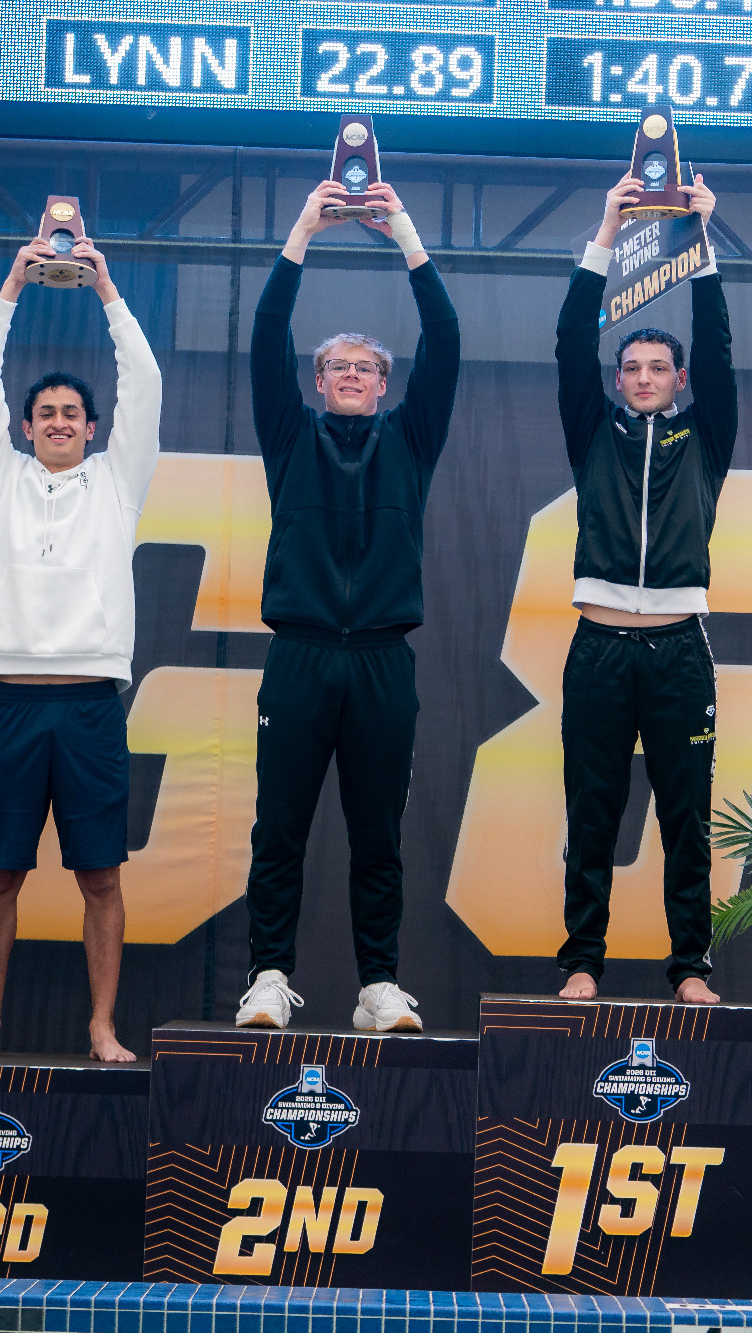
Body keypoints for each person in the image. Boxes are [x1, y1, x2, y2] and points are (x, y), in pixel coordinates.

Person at [234, 179, 460, 1034]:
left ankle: (377, 986)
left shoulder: (412, 436)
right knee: (278, 831)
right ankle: (266, 977)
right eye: (338, 367)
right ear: (318, 381)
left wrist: (401, 227)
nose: (354, 376)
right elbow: (264, 335)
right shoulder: (289, 434)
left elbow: (445, 332)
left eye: (367, 367)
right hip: (299, 655)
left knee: (379, 838)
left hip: (380, 660)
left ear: (385, 381)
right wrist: (302, 229)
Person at [0, 236, 161, 1064]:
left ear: (93, 428)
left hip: (91, 704)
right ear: (26, 428)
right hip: (12, 700)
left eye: (74, 413)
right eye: (47, 414)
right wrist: (12, 284)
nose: (60, 422)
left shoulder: (117, 482)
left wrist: (106, 291)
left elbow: (146, 381)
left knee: (100, 877)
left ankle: (102, 1027)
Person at [555, 172, 733, 1006]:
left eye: (660, 366)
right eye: (632, 366)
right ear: (620, 377)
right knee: (592, 815)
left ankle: (691, 966)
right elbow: (566, 346)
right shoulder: (595, 430)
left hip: (677, 649)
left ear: (679, 377)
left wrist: (702, 247)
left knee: (684, 822)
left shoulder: (707, 434)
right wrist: (606, 223)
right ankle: (582, 960)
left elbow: (722, 355)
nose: (644, 375)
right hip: (597, 645)